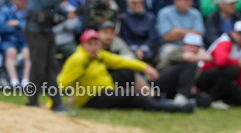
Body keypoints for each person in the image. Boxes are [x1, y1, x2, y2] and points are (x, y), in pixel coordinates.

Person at [57, 29, 193, 112]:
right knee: (131, 95)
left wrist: (145, 67)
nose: (93, 47)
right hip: (92, 98)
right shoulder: (78, 59)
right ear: (83, 45)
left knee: (127, 72)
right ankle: (171, 108)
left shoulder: (99, 55)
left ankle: (158, 99)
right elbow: (62, 81)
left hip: (106, 90)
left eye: (96, 43)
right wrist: (53, 103)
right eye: (90, 44)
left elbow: (121, 61)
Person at [25, 0, 74, 113]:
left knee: (47, 66)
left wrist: (64, 13)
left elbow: (50, 5)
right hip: (38, 28)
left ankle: (45, 102)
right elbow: (47, 1)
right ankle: (44, 102)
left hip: (43, 27)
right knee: (42, 66)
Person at [196, 21, 241, 108]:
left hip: (221, 79)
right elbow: (220, 61)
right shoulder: (225, 41)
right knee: (232, 70)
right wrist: (237, 63)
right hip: (204, 75)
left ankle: (217, 98)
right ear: (233, 33)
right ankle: (212, 99)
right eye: (239, 33)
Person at [0, 0, 31, 88]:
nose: (24, 1)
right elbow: (1, 28)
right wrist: (20, 26)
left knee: (28, 52)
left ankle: (26, 82)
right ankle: (14, 82)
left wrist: (17, 23)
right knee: (10, 52)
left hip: (23, 40)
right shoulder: (5, 10)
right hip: (8, 41)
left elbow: (28, 26)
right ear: (14, 0)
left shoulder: (28, 10)